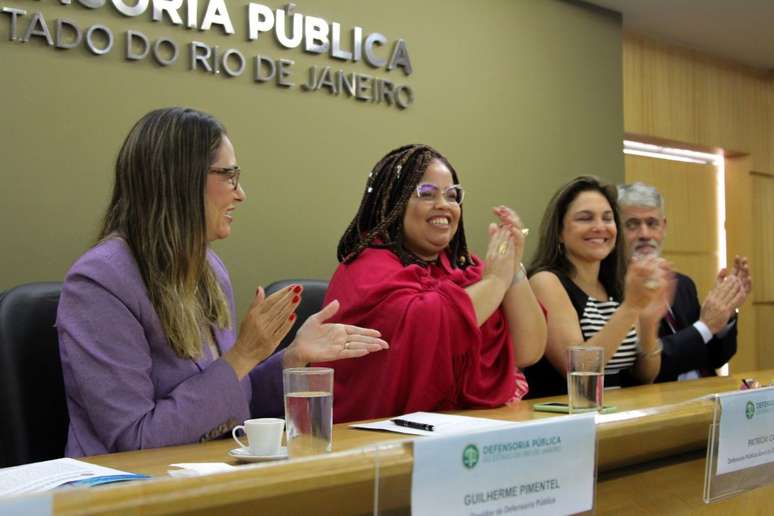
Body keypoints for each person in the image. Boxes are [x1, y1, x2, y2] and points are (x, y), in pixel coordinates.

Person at [56, 107, 388, 457]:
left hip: (205, 477)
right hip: (122, 495)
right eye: (228, 175)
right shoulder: (98, 283)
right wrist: (244, 354)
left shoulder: (209, 268)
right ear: (180, 179)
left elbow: (231, 403)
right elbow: (135, 441)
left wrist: (292, 357)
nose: (240, 193)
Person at [315, 144, 547, 423]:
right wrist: (496, 280)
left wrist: (513, 270)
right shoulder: (365, 268)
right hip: (375, 439)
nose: (444, 205)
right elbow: (429, 325)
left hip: (472, 431)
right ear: (394, 204)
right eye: (427, 193)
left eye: (452, 195)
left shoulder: (467, 269)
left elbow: (529, 350)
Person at [524, 176, 673, 398]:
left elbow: (645, 377)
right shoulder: (545, 282)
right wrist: (631, 308)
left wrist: (649, 325)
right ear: (559, 233)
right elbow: (579, 370)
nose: (600, 227)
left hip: (619, 416)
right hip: (567, 422)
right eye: (585, 218)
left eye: (608, 218)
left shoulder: (618, 283)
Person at [617, 182, 751, 382]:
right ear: (617, 230)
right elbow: (651, 368)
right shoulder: (613, 289)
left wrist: (725, 314)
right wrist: (706, 326)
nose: (645, 234)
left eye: (652, 223)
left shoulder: (683, 284)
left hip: (705, 398)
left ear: (664, 227)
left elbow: (715, 358)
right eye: (632, 224)